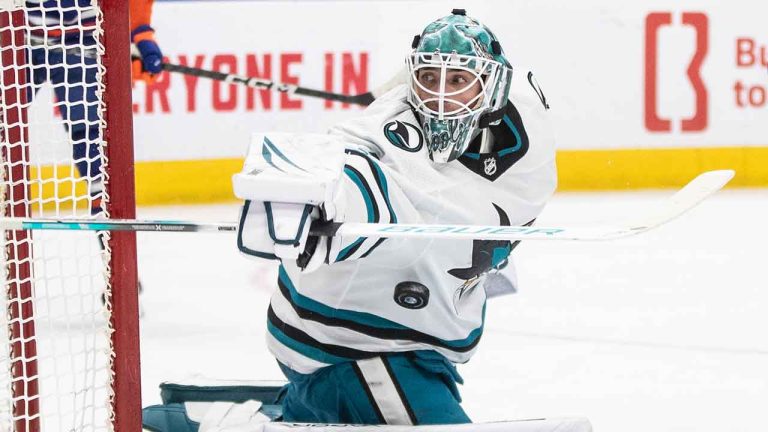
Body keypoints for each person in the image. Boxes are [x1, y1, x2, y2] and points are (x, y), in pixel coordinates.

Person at [234, 9, 556, 426]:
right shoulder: (387, 129)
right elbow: (357, 167)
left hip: (419, 351)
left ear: (492, 86)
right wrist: (314, 201)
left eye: (457, 80)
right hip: (351, 352)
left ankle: (300, 408)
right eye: (428, 79)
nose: (439, 96)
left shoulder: (524, 130)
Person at [26, 0, 163, 217]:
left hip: (84, 39)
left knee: (92, 144)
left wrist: (138, 32)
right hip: (18, 37)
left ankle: (109, 240)